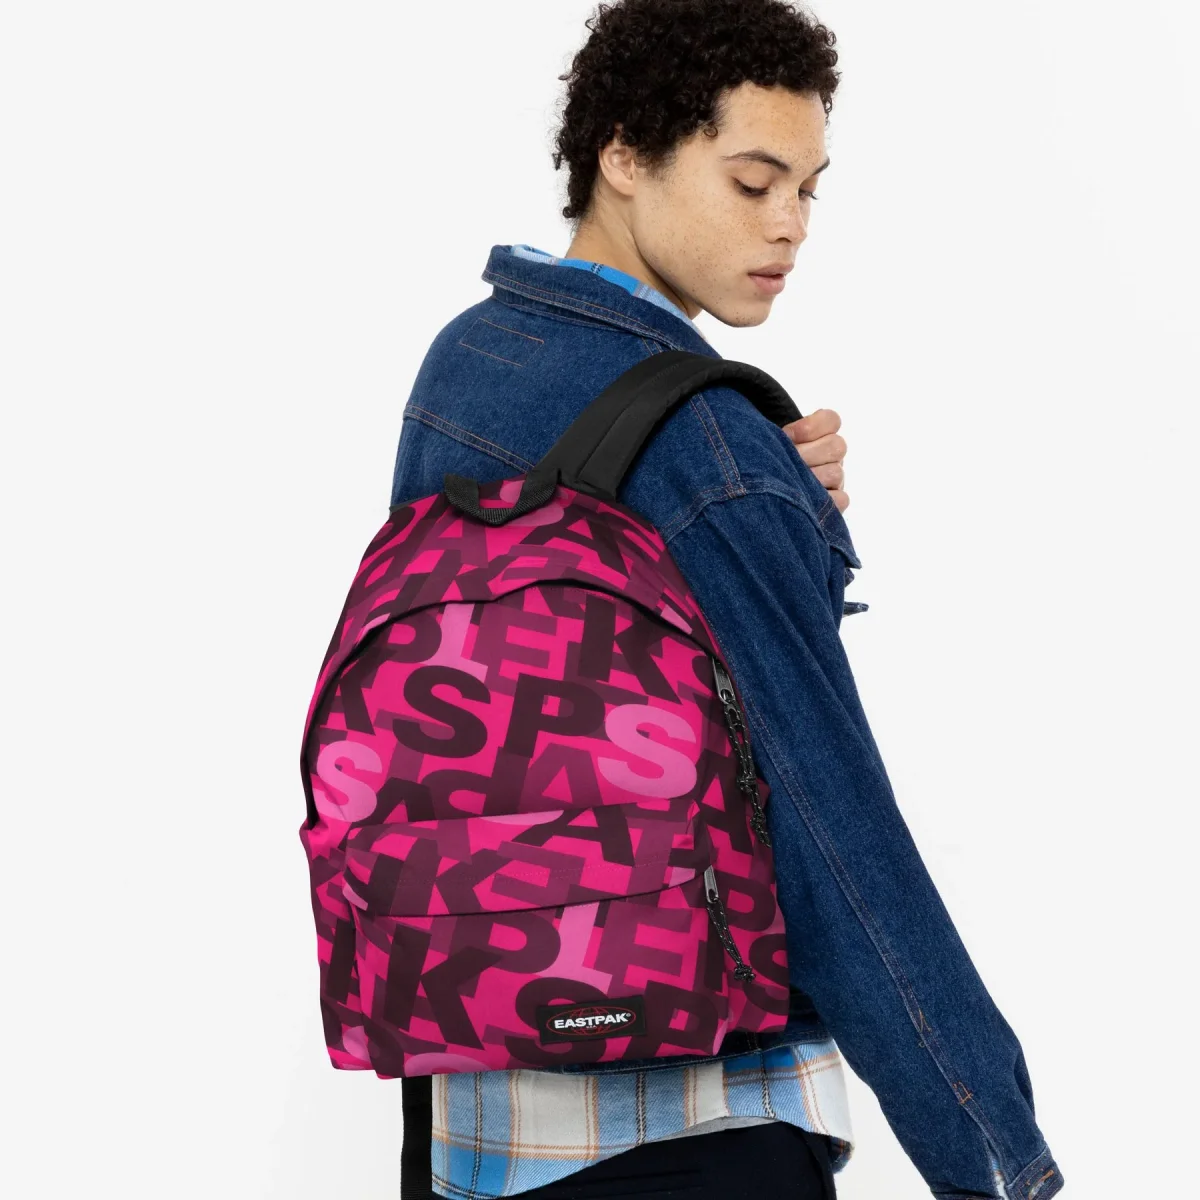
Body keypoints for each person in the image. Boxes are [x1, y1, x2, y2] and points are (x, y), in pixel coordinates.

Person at [387, 2, 1064, 1197]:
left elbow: (471, 709)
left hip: (476, 1119)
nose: (789, 225)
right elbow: (825, 828)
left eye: (809, 190)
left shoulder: (469, 358)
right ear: (623, 155)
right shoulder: (708, 447)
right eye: (753, 182)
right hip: (694, 1131)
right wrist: (993, 1148)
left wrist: (773, 515)